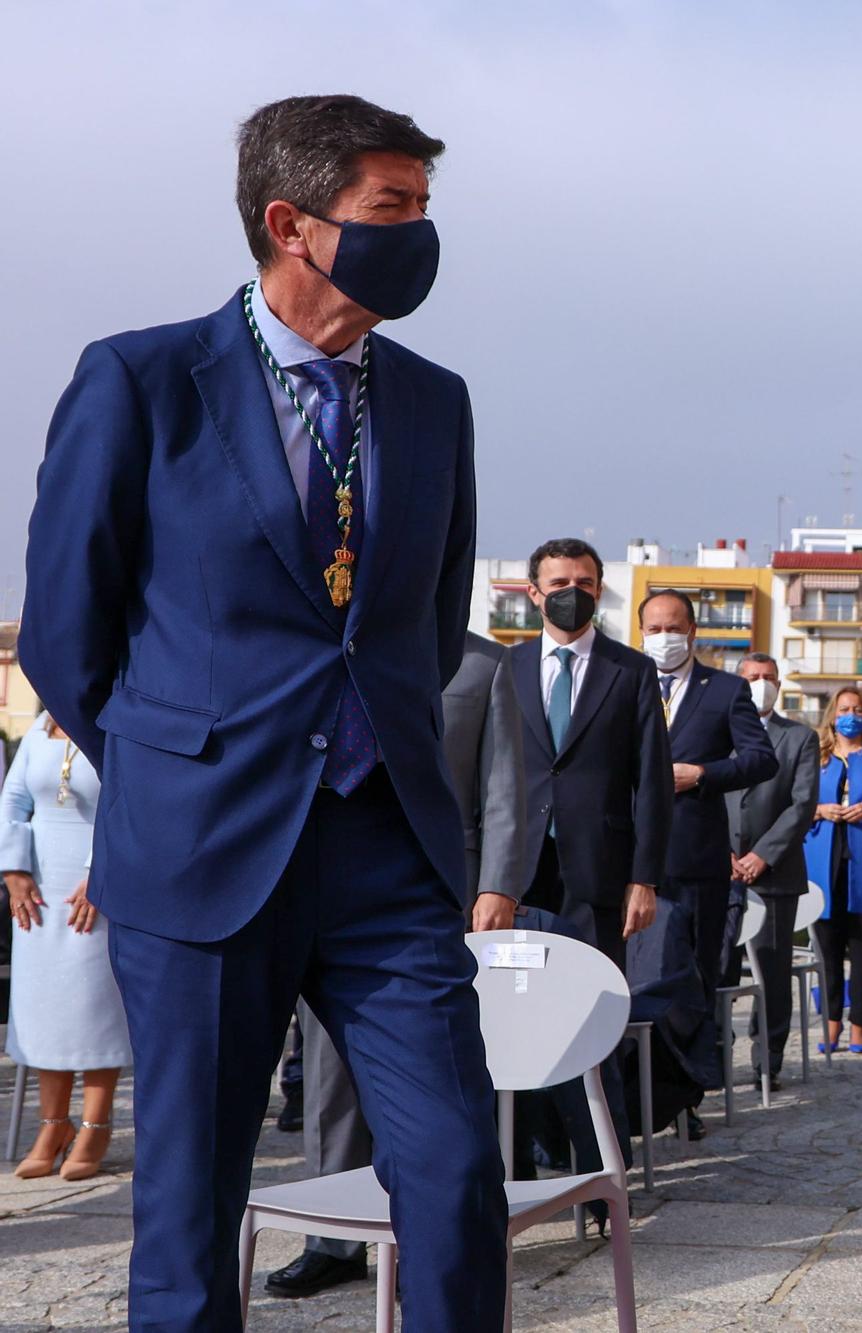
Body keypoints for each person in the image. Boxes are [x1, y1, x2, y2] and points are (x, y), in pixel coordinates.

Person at [20, 94, 514, 1328]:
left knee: (455, 1178)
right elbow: (70, 635)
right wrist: (176, 765)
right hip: (202, 849)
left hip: (385, 853)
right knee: (189, 1214)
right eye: (390, 208)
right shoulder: (140, 380)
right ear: (291, 223)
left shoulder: (432, 400)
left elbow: (423, 621)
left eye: (422, 206)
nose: (419, 233)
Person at [267, 631, 533, 1298]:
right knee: (328, 1078)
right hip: (322, 886)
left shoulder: (481, 663)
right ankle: (333, 1238)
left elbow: (503, 787)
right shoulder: (311, 644)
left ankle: (434, 1245)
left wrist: (498, 884)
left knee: (439, 1093)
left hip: (431, 895)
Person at [508, 539, 668, 1158]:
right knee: (514, 1019)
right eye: (557, 582)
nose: (569, 592)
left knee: (591, 1020)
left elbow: (652, 785)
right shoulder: (508, 668)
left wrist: (644, 877)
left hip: (598, 876)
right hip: (518, 875)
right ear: (534, 592)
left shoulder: (631, 672)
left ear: (600, 590)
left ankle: (604, 1172)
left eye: (583, 581)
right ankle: (520, 1160)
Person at [2, 713, 130, 1182]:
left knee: (94, 1009)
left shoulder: (111, 723)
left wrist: (102, 873)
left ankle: (96, 1126)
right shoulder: (37, 731)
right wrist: (13, 870)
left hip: (97, 886)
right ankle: (53, 1126)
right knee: (45, 1010)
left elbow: (128, 801)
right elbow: (13, 799)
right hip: (37, 888)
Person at [628, 590, 775, 998]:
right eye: (654, 629)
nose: (664, 637)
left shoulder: (725, 690)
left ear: (691, 631)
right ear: (641, 633)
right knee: (633, 978)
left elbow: (762, 760)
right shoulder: (623, 684)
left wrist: (702, 775)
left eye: (673, 629)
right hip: (629, 858)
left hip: (696, 861)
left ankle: (700, 1058)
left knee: (694, 981)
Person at [724, 652, 819, 1083]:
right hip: (718, 870)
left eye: (769, 678)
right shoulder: (715, 732)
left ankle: (767, 1062)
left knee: (772, 972)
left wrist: (762, 855)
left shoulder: (800, 737)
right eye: (752, 677)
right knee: (717, 972)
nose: (761, 683)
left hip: (775, 874)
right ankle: (712, 1062)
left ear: (779, 685)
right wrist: (721, 852)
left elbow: (802, 805)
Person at [802, 687, 862, 1054]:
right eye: (844, 708)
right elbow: (796, 803)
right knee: (826, 953)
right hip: (822, 867)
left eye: (857, 709)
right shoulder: (816, 757)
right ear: (832, 715)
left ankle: (861, 1026)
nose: (851, 714)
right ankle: (831, 1024)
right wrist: (819, 810)